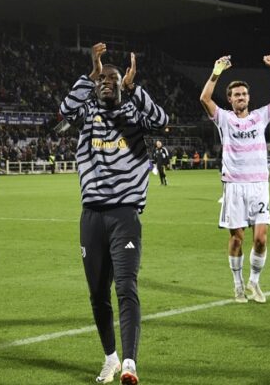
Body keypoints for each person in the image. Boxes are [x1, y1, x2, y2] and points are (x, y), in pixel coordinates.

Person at [59, 43, 168, 385]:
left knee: (126, 286)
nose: (106, 82)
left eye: (113, 78)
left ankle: (131, 363)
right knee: (96, 293)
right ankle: (110, 358)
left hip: (124, 215)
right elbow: (64, 110)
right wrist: (90, 72)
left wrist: (135, 89)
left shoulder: (135, 113)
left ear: (122, 84)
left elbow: (162, 121)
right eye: (102, 79)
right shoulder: (86, 111)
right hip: (91, 215)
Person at [199, 54, 270, 304]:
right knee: (237, 238)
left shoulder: (260, 116)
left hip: (259, 185)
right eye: (236, 95)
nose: (241, 97)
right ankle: (238, 284)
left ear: (249, 98)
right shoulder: (224, 119)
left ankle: (254, 282)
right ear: (230, 99)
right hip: (234, 185)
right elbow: (205, 98)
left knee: (260, 239)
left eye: (244, 94)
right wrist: (216, 72)